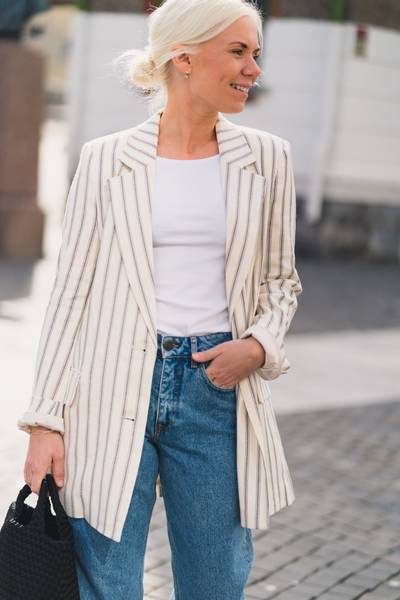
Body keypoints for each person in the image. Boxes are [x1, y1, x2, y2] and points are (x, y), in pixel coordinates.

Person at [17, 0, 303, 598]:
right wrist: (45, 422)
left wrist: (257, 347)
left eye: (255, 53)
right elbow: (70, 294)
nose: (253, 69)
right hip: (111, 385)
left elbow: (282, 282)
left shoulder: (267, 158)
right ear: (184, 58)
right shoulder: (105, 159)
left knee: (214, 582)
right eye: (238, 51)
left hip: (216, 389)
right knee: (107, 582)